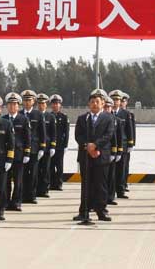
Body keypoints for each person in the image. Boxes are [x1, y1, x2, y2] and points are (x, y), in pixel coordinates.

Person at [73, 89, 116, 224]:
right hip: (86, 156)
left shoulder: (109, 118)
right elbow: (78, 136)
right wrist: (88, 147)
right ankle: (84, 212)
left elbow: (108, 135)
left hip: (101, 156)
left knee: (101, 185)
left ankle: (101, 211)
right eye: (92, 102)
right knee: (86, 185)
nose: (94, 104)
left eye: (97, 102)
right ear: (88, 104)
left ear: (103, 103)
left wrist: (96, 146)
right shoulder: (82, 119)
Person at [3, 93, 30, 212]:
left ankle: (17, 202)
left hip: (19, 154)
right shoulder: (3, 119)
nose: (12, 106)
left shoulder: (23, 119)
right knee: (5, 181)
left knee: (18, 180)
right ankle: (5, 202)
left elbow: (27, 137)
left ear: (18, 106)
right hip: (5, 155)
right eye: (10, 104)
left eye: (14, 104)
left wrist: (27, 153)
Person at [19, 90, 45, 205]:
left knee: (33, 173)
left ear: (33, 101)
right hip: (21, 149)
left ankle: (32, 195)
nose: (27, 102)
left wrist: (42, 148)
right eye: (25, 100)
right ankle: (23, 195)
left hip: (34, 148)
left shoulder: (38, 114)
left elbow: (42, 132)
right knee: (22, 173)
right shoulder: (19, 114)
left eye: (29, 100)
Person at [35, 93, 57, 198]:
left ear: (46, 104)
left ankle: (44, 190)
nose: (41, 105)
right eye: (39, 103)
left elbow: (53, 133)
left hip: (47, 148)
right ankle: (35, 189)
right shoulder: (34, 115)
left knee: (46, 169)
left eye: (43, 103)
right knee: (36, 169)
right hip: (36, 147)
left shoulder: (50, 117)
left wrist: (53, 146)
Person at [49, 94, 69, 191]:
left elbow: (67, 132)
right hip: (50, 145)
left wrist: (66, 145)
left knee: (59, 165)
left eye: (57, 103)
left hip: (60, 145)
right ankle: (52, 183)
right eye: (53, 103)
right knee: (51, 165)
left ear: (60, 105)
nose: (55, 105)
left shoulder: (64, 117)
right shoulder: (49, 116)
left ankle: (59, 183)